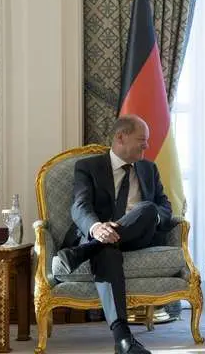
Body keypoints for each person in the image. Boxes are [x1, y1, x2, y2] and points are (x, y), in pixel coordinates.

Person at [57, 114, 175, 354]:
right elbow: (80, 205)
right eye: (142, 139)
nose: (146, 145)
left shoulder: (149, 169)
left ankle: (85, 250)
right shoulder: (88, 167)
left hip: (138, 237)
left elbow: (165, 208)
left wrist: (153, 217)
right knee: (107, 251)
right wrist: (96, 228)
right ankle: (123, 340)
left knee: (148, 208)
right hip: (102, 238)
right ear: (121, 137)